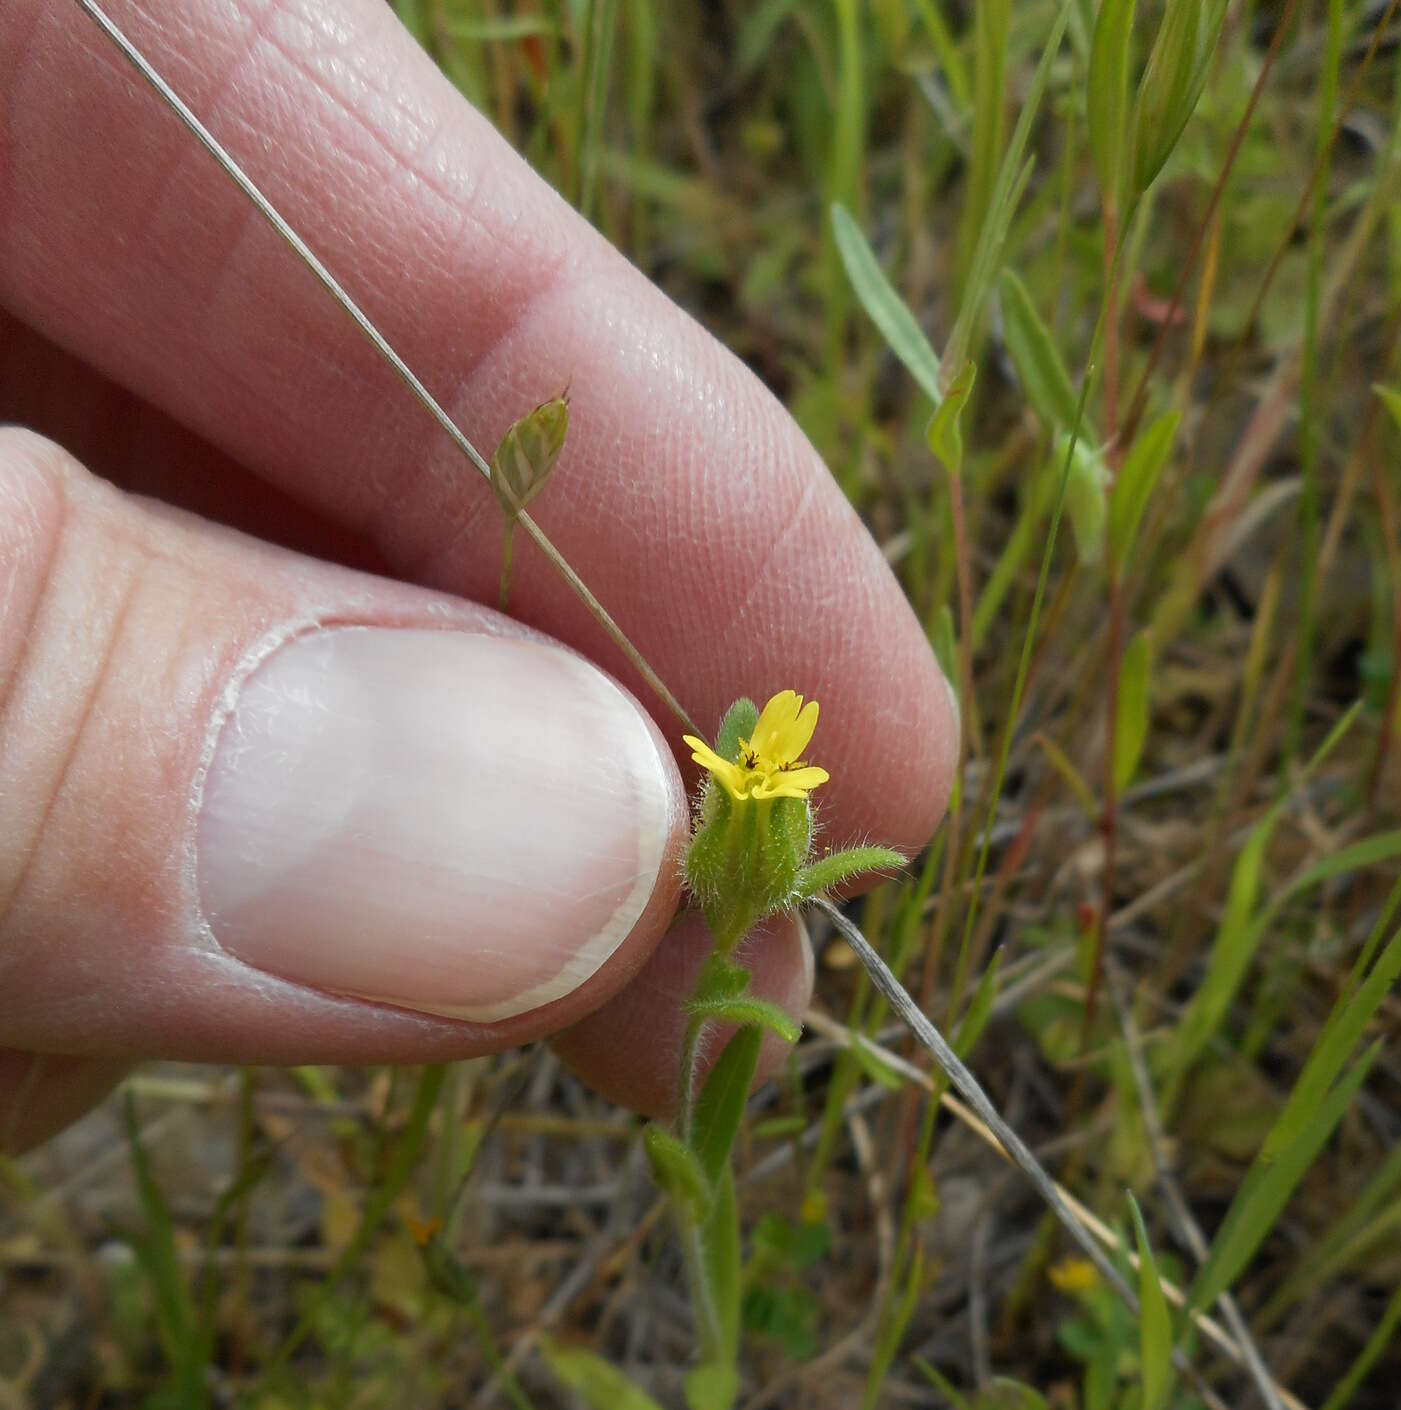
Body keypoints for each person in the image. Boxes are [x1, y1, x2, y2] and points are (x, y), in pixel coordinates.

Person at [0, 0, 956, 1151]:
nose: (755, 757)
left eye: (756, 769)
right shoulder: (730, 786)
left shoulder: (747, 796)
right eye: (753, 768)